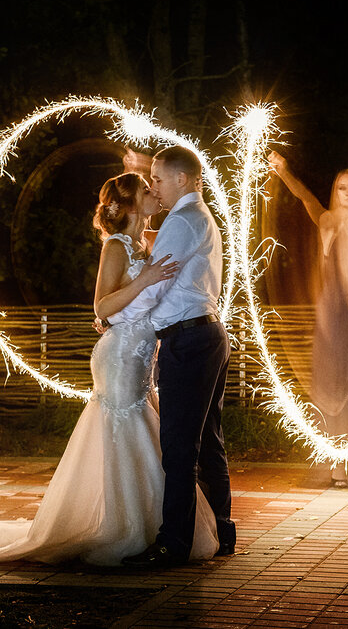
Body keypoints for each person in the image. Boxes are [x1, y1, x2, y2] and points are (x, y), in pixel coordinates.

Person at [0, 172, 221, 565]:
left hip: (143, 353)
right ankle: (120, 526)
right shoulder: (115, 246)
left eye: (154, 187)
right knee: (123, 428)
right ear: (130, 206)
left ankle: (150, 527)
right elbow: (101, 306)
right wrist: (142, 281)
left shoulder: (147, 242)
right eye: (146, 190)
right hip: (119, 356)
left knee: (145, 429)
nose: (153, 194)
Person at [119, 145, 236, 568]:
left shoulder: (182, 220)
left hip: (189, 341)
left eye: (158, 178)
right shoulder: (200, 218)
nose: (153, 186)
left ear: (182, 179)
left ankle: (173, 545)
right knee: (208, 443)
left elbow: (155, 287)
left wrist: (116, 314)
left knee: (180, 447)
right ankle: (221, 530)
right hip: (206, 334)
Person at [267, 151, 348, 488]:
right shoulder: (328, 225)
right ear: (334, 193)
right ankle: (340, 460)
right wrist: (284, 171)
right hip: (333, 323)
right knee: (336, 394)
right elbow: (305, 197)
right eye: (341, 188)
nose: (347, 193)